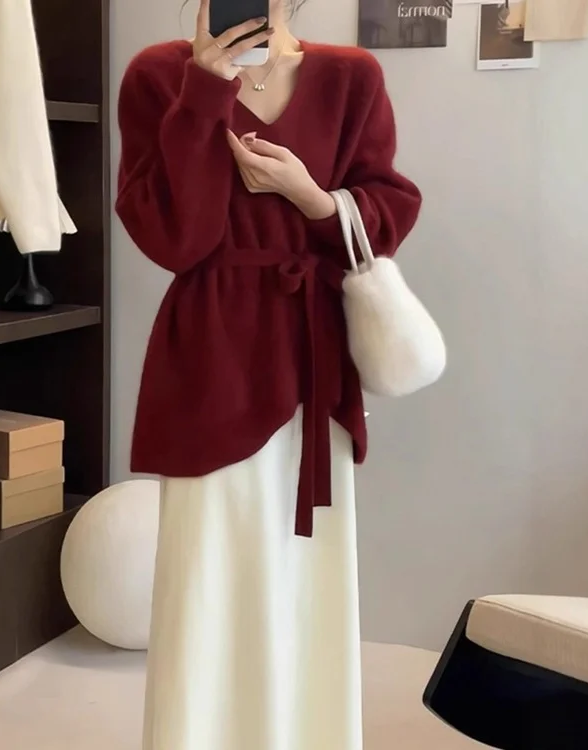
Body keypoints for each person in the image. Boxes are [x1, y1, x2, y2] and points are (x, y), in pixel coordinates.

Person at [115, 1, 422, 748]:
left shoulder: (351, 77)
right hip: (210, 356)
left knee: (307, 582)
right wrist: (204, 90)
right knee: (205, 582)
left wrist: (310, 198)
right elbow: (175, 239)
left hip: (313, 358)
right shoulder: (159, 76)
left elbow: (389, 207)